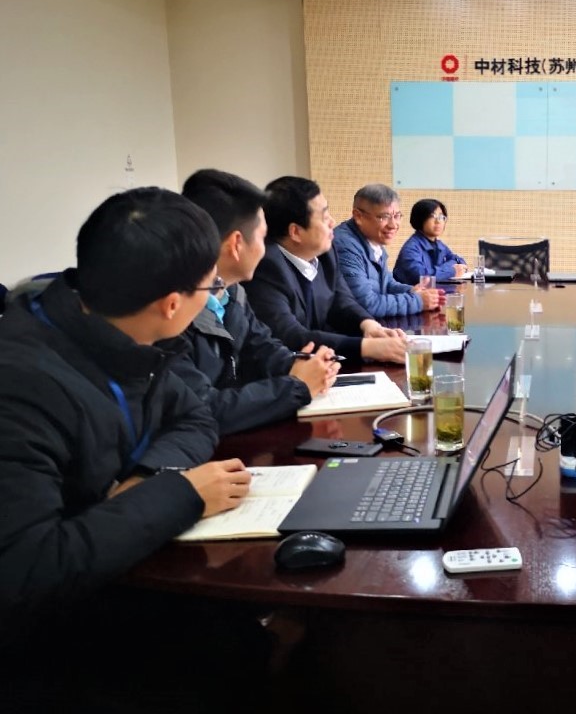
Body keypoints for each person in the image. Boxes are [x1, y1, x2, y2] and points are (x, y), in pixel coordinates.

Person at [0, 188, 264, 710]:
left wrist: (146, 478)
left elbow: (195, 415)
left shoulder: (122, 333)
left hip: (123, 569)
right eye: (209, 286)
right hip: (50, 643)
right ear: (173, 304)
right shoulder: (22, 386)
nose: (213, 296)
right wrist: (179, 494)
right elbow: (27, 571)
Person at [161, 169, 339, 435]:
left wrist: (300, 365)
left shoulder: (231, 290)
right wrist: (297, 386)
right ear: (236, 244)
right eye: (262, 237)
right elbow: (203, 407)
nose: (267, 249)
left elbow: (261, 346)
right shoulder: (170, 311)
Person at [243, 175, 408, 364]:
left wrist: (368, 325)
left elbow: (341, 300)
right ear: (295, 232)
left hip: (324, 365)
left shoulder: (326, 253)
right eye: (324, 217)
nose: (332, 222)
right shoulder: (265, 266)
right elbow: (290, 335)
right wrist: (367, 347)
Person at [333, 183, 442, 317]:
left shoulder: (373, 238)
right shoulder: (345, 246)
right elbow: (365, 305)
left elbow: (387, 284)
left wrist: (412, 290)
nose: (393, 225)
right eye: (384, 217)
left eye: (397, 216)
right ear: (358, 216)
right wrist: (418, 301)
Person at [393, 197, 468, 284]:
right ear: (420, 219)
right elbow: (421, 277)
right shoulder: (411, 247)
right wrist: (451, 270)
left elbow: (460, 261)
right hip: (412, 292)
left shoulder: (439, 244)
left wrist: (449, 268)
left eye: (441, 217)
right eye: (432, 216)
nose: (438, 221)